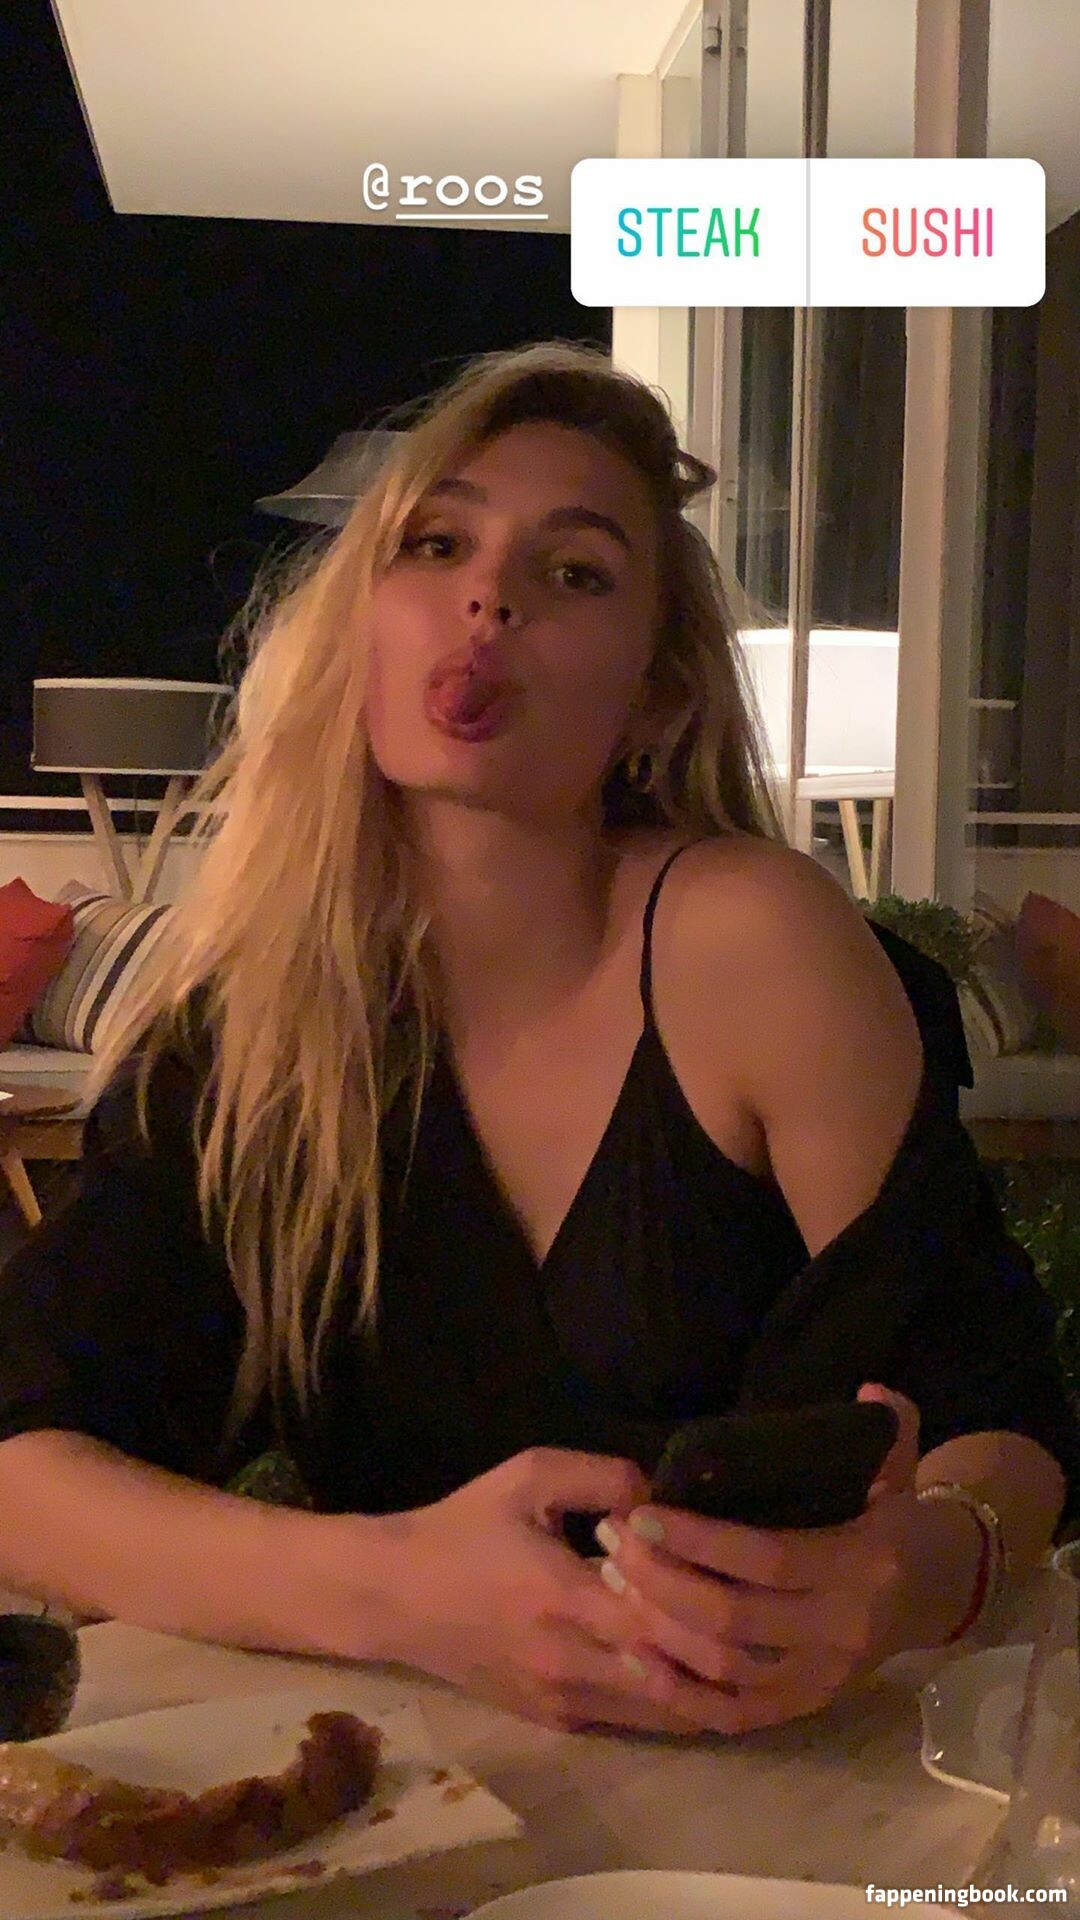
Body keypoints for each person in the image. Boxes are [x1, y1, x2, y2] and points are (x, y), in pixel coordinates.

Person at [0, 342, 1076, 1740]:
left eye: (575, 573)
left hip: (794, 1779)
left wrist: (909, 1575)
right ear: (359, 630)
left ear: (656, 695)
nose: (490, 595)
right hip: (417, 1794)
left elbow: (1001, 1418)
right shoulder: (251, 1035)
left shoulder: (751, 946)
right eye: (437, 544)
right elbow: (25, 1464)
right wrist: (399, 1591)